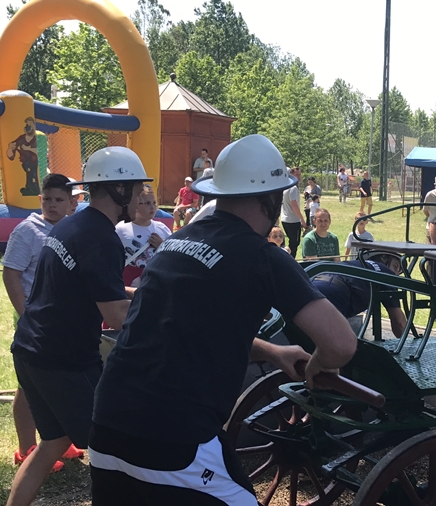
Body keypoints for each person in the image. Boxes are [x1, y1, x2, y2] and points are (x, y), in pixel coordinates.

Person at [89, 134, 357, 505]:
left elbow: (188, 327)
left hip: (106, 426)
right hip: (175, 440)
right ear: (272, 198)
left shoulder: (175, 243)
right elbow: (341, 344)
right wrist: (317, 365)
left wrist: (274, 353)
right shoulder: (264, 257)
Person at [6, 147, 150, 506]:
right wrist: (165, 316)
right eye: (134, 188)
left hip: (28, 349)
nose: (139, 196)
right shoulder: (101, 238)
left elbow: (93, 287)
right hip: (63, 361)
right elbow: (115, 315)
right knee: (115, 442)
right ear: (119, 189)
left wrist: (146, 292)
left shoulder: (73, 224)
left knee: (52, 444)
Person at [2, 174, 84, 475]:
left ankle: (57, 439)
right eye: (47, 199)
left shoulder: (71, 230)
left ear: (72, 203)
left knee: (54, 384)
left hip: (58, 323)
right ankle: (26, 449)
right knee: (27, 387)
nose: (52, 205)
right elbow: (11, 274)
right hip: (32, 322)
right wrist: (26, 315)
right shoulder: (27, 231)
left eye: (58, 200)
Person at [311, 250, 408, 338]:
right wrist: (408, 345)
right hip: (336, 293)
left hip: (314, 285)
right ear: (384, 260)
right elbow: (399, 323)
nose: (396, 274)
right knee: (337, 346)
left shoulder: (357, 264)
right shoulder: (386, 274)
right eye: (395, 267)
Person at [116, 185, 172, 288]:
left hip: (154, 283)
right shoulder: (121, 229)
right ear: (135, 204)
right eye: (147, 203)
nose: (152, 207)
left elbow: (173, 256)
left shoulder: (162, 229)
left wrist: (161, 245)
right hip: (129, 285)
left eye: (154, 203)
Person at [6, 117, 40, 196]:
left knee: (33, 175)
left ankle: (34, 189)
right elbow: (10, 154)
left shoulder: (36, 138)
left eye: (31, 125)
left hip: (33, 161)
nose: (29, 127)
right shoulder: (21, 138)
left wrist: (28, 148)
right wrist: (10, 148)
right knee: (29, 174)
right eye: (27, 125)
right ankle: (28, 188)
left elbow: (38, 150)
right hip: (25, 161)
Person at [279, 166, 308, 257]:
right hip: (293, 220)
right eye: (296, 174)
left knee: (291, 242)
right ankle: (290, 261)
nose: (299, 177)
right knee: (294, 243)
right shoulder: (293, 188)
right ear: (291, 175)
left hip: (285, 219)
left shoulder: (284, 187)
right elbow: (294, 205)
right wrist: (302, 220)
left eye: (300, 174)